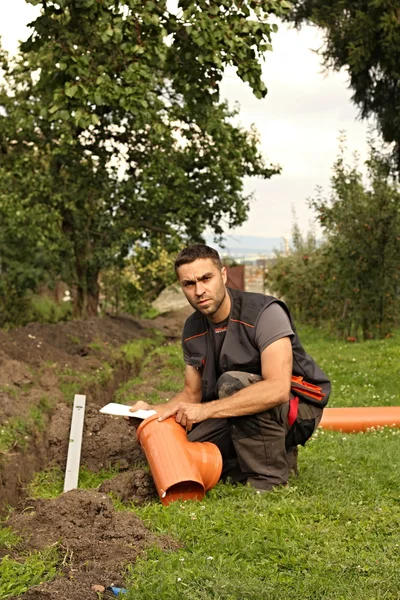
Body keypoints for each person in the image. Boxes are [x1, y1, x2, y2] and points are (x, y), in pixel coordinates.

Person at [129, 244, 331, 492]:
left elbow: (277, 388)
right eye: (189, 284)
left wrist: (205, 412)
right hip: (241, 409)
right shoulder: (192, 328)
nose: (199, 291)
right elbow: (191, 394)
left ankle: (268, 481)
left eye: (206, 278)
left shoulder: (265, 313)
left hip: (298, 409)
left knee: (231, 383)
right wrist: (152, 412)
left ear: (223, 275)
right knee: (189, 446)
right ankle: (265, 458)